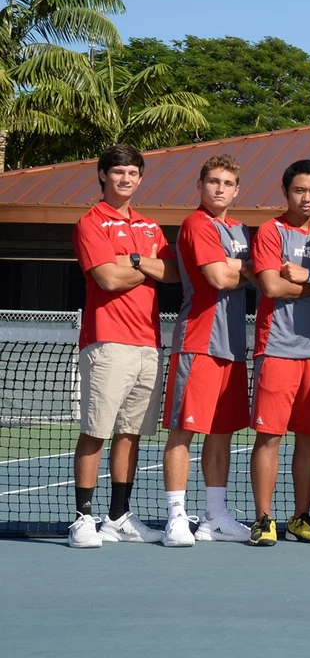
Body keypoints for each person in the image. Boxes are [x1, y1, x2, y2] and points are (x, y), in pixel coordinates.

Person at [68, 145, 180, 547]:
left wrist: (129, 259)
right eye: (118, 172)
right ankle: (83, 519)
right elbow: (107, 279)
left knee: (130, 434)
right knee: (95, 431)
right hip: (107, 342)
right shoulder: (90, 222)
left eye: (133, 173)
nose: (126, 179)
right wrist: (144, 264)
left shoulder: (150, 225)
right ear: (103, 175)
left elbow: (171, 272)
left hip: (148, 343)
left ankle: (117, 517)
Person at [246, 160, 310, 546]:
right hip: (277, 350)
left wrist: (308, 276)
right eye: (299, 190)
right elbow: (272, 286)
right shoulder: (271, 231)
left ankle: (301, 518)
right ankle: (263, 519)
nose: (306, 198)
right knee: (269, 437)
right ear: (285, 191)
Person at [162, 154, 255, 547]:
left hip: (232, 346)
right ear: (200, 185)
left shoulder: (240, 230)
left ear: (237, 190)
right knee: (184, 431)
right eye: (214, 181)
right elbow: (218, 277)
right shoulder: (196, 224)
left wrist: (239, 265)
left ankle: (215, 518)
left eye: (227, 183)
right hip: (198, 342)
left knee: (222, 433)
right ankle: (176, 518)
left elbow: (257, 273)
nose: (220, 188)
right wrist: (243, 267)